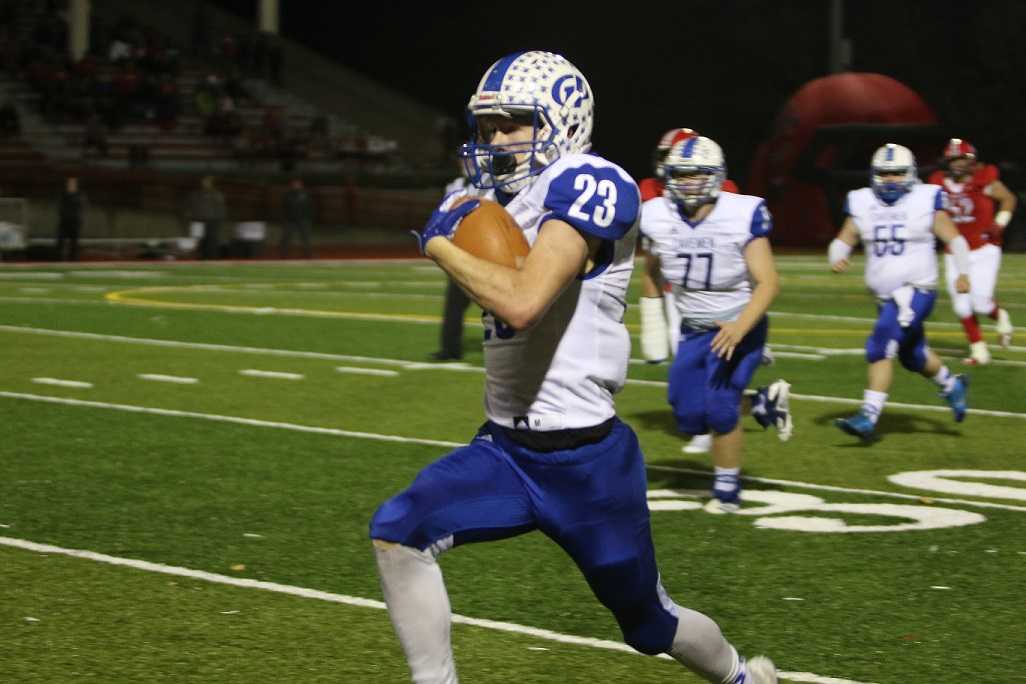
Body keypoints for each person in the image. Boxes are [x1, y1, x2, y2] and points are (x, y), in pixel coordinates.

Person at [369, 51, 777, 684]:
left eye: (514, 123)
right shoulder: (491, 197)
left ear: (563, 122)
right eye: (489, 126)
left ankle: (740, 676)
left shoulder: (591, 182)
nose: (497, 139)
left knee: (649, 624)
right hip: (505, 448)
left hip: (586, 463)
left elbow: (524, 303)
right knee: (398, 531)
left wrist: (441, 244)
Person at [641, 136, 783, 512]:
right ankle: (762, 402)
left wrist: (741, 327)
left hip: (739, 325)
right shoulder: (658, 215)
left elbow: (769, 282)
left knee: (720, 407)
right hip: (693, 328)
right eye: (680, 175)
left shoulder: (741, 213)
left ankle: (727, 491)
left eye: (696, 175)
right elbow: (652, 273)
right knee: (687, 414)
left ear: (716, 177)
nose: (687, 182)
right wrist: (653, 323)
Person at [831, 143, 972, 442]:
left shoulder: (925, 199)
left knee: (880, 344)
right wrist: (838, 254)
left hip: (917, 289)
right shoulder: (862, 201)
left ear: (909, 174)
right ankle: (952, 385)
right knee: (912, 355)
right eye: (885, 173)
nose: (891, 179)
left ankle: (868, 416)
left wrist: (962, 273)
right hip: (885, 296)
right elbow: (844, 238)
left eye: (897, 173)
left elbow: (956, 240)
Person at [926, 138, 1016, 365]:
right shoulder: (938, 184)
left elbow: (1008, 199)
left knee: (980, 303)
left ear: (971, 161)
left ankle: (1000, 314)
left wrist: (1000, 222)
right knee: (960, 304)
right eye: (952, 159)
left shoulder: (983, 180)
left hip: (983, 248)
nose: (956, 164)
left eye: (961, 159)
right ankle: (979, 350)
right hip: (954, 251)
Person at [429, 170, 481, 361]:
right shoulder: (455, 184)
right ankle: (450, 350)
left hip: (485, 249)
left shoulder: (488, 181)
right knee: (453, 306)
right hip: (462, 249)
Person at [187, 176, 226, 260]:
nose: (205, 183)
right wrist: (191, 217)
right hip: (197, 221)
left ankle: (212, 259)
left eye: (207, 181)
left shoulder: (216, 194)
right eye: (204, 181)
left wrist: (218, 220)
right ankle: (198, 258)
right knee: (197, 241)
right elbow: (190, 207)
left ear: (211, 183)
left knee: (211, 241)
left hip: (212, 221)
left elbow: (221, 208)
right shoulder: (195, 194)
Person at [280, 178, 313, 259]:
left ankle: (308, 255)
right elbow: (284, 207)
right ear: (291, 185)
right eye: (294, 184)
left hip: (304, 219)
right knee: (286, 238)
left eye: (298, 184)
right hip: (290, 220)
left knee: (305, 238)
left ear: (301, 185)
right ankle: (283, 254)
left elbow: (310, 207)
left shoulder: (306, 194)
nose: (296, 185)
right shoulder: (287, 195)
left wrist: (308, 218)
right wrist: (286, 218)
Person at [56, 176, 86, 261]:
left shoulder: (79, 195)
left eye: (73, 184)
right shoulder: (63, 195)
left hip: (75, 222)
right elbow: (60, 207)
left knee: (74, 243)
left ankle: (73, 260)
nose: (71, 185)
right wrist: (63, 215)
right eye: (70, 183)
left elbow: (81, 208)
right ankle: (59, 259)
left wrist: (79, 219)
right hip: (64, 221)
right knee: (60, 241)